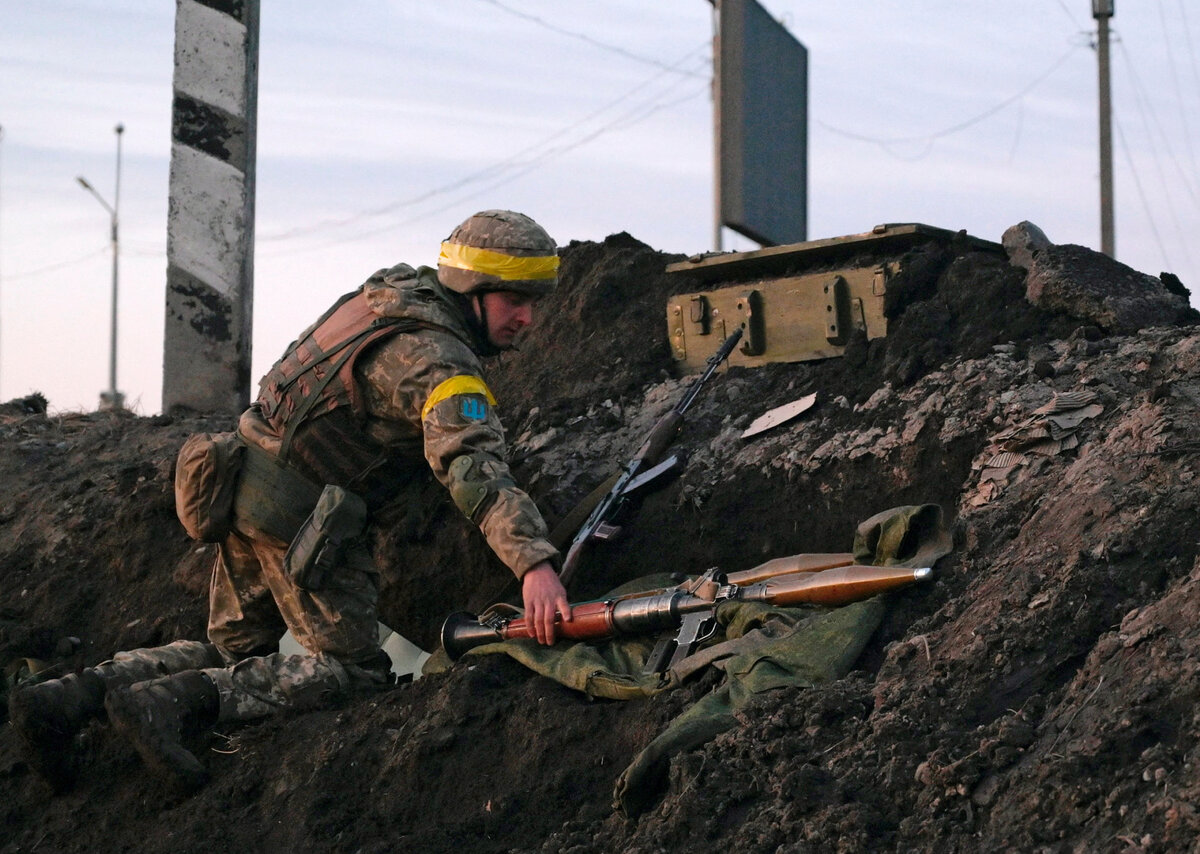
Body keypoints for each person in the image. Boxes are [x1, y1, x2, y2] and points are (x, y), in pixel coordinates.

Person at [8, 209, 572, 793]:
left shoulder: (385, 297)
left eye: (534, 301)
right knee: (352, 670)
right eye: (513, 300)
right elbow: (472, 468)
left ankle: (65, 699)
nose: (528, 318)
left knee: (234, 650)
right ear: (471, 291)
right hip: (301, 522)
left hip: (239, 480)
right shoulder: (440, 364)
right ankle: (169, 702)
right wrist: (533, 565)